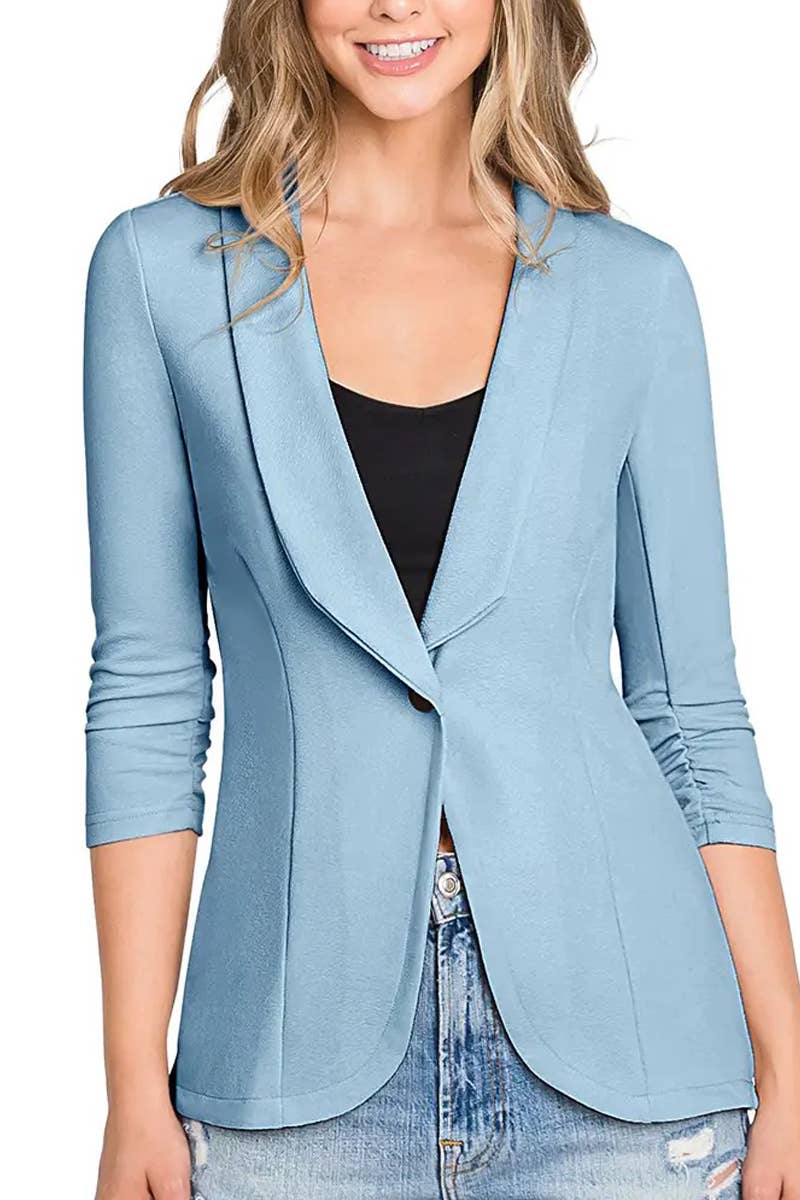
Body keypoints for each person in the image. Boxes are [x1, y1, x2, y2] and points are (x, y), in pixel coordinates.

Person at [82, 1, 800, 1197]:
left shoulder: (629, 289)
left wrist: (788, 1070)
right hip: (287, 1063)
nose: (395, 5)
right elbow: (149, 696)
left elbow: (688, 708)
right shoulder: (162, 273)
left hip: (629, 1062)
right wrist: (128, 1090)